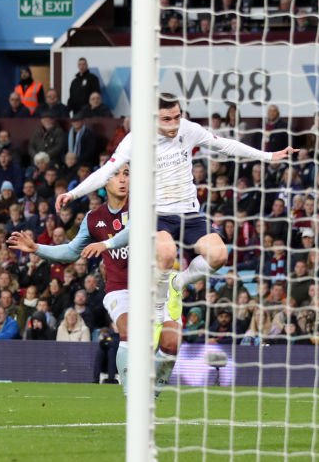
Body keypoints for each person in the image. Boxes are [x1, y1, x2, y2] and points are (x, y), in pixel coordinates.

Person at [55, 93, 298, 327]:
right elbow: (106, 172)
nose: (173, 124)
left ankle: (178, 283)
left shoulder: (188, 129)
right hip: (157, 215)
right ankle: (159, 306)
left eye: (177, 117)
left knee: (219, 256)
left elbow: (224, 145)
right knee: (168, 253)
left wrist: (268, 156)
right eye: (166, 119)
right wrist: (73, 193)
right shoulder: (136, 139)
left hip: (190, 213)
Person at [10, 164, 180, 396]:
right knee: (130, 331)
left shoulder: (145, 206)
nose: (122, 180)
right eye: (116, 175)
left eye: (127, 174)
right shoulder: (93, 219)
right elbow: (71, 252)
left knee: (170, 344)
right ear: (103, 182)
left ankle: (153, 393)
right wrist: (36, 248)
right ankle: (133, 397)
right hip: (120, 287)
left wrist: (107, 244)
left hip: (156, 286)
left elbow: (131, 230)